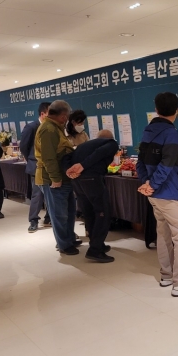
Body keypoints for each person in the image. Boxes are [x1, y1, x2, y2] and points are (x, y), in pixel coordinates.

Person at [136, 92, 178, 297]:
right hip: (169, 193)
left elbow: (140, 162)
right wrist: (153, 184)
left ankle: (166, 276)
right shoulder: (171, 133)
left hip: (155, 195)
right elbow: (167, 164)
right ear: (177, 111)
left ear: (156, 109)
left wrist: (147, 183)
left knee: (164, 234)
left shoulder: (148, 130)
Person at [64, 129, 119, 263]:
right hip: (92, 179)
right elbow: (99, 153)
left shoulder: (83, 145)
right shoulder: (111, 143)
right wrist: (83, 166)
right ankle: (95, 250)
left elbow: (66, 157)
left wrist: (69, 170)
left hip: (77, 181)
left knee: (89, 212)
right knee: (103, 212)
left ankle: (97, 243)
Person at [35, 100, 79, 255]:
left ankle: (69, 238)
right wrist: (55, 178)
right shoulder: (49, 129)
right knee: (59, 214)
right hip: (53, 179)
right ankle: (64, 244)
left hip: (63, 177)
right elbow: (49, 157)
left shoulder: (55, 128)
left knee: (70, 211)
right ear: (63, 116)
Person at [19, 102, 51, 233]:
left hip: (51, 166)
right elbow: (23, 147)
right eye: (50, 113)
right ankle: (33, 220)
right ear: (43, 114)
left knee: (51, 194)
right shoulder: (31, 127)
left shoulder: (52, 127)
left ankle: (49, 218)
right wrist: (31, 159)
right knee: (37, 195)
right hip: (36, 165)